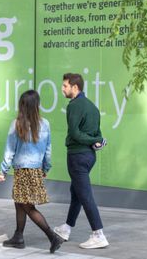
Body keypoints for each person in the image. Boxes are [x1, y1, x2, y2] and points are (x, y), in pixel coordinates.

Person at [0, 90, 63, 253]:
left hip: (22, 170)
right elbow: (48, 150)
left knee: (28, 206)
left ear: (22, 106)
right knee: (19, 203)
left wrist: (3, 170)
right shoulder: (45, 123)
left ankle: (52, 237)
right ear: (37, 106)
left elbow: (9, 150)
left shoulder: (16, 124)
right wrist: (46, 167)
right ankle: (18, 237)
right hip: (35, 170)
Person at [53, 73, 109, 249]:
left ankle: (98, 234)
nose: (62, 89)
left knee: (84, 195)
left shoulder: (74, 106)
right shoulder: (92, 107)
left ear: (74, 87)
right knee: (76, 192)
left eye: (65, 86)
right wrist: (96, 141)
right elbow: (98, 135)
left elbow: (75, 134)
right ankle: (67, 228)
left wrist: (93, 141)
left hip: (77, 156)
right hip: (89, 157)